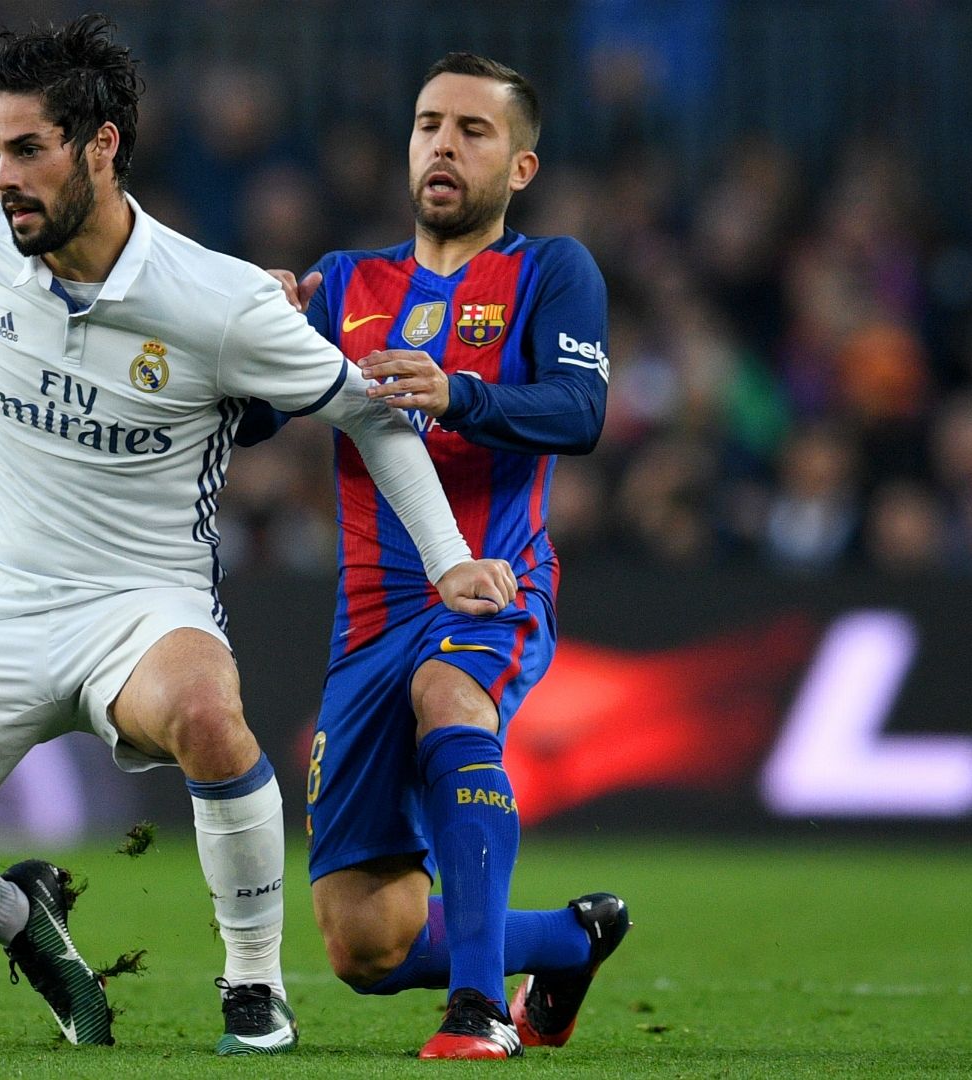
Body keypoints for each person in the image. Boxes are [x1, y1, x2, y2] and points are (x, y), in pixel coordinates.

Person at [0, 17, 516, 1055]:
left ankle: (254, 986)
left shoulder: (221, 301)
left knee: (210, 717)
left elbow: (371, 414)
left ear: (102, 146)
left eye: (28, 150)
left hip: (140, 607)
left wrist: (448, 561)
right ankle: (20, 917)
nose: (4, 180)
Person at [245, 52, 629, 1059]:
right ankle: (568, 942)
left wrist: (457, 390)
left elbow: (580, 411)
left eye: (473, 130)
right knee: (365, 943)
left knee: (450, 699)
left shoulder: (552, 271)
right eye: (428, 126)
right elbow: (247, 425)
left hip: (494, 580)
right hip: (368, 618)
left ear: (521, 167)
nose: (444, 146)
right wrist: (257, 336)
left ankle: (479, 1013)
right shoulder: (347, 283)